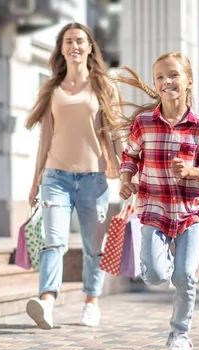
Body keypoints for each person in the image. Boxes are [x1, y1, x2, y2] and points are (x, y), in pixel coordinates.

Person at [116, 52, 199, 350]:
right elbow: (129, 156)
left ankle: (180, 335)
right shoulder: (144, 123)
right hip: (153, 209)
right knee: (152, 275)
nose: (167, 81)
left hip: (190, 212)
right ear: (156, 84)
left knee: (186, 277)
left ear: (188, 81)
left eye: (174, 75)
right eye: (160, 77)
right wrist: (127, 179)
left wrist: (193, 172)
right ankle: (170, 275)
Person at [24, 22, 125, 330]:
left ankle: (91, 302)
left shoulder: (105, 86)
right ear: (61, 48)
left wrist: (127, 172)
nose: (74, 46)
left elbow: (117, 132)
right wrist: (35, 182)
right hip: (56, 178)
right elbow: (45, 140)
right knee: (53, 242)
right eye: (68, 41)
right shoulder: (52, 89)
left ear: (90, 47)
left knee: (94, 246)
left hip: (93, 180)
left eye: (80, 41)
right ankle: (47, 302)